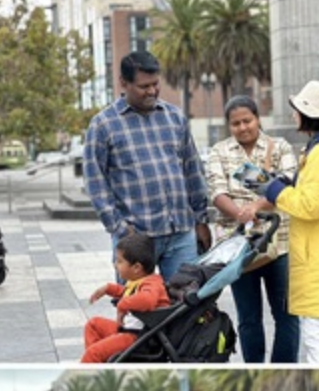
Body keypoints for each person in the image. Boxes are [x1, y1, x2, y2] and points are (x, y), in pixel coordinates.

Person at [245, 80, 319, 364]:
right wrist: (284, 183)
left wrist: (273, 189)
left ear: (309, 114)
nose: (293, 114)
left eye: (297, 109)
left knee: (318, 342)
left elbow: (311, 206)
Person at [84, 50, 211, 282]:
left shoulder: (175, 117)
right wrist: (121, 230)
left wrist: (201, 220)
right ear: (124, 83)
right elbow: (95, 184)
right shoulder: (103, 125)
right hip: (136, 242)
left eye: (155, 84)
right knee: (136, 312)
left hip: (181, 235)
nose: (152, 91)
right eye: (144, 86)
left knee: (188, 309)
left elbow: (193, 171)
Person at [207, 96, 300, 363]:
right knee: (248, 318)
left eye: (247, 120)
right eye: (235, 123)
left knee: (287, 316)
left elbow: (287, 184)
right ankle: (254, 367)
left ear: (258, 119)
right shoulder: (220, 151)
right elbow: (216, 191)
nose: (242, 127)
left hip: (278, 243)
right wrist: (241, 214)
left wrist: (254, 208)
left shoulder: (279, 147)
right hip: (238, 246)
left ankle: (283, 370)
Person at [81, 231, 169, 363]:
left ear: (136, 267)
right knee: (93, 325)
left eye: (120, 261)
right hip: (128, 330)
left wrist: (122, 306)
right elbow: (129, 292)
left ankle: (91, 366)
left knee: (93, 353)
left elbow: (147, 300)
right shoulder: (141, 280)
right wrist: (108, 289)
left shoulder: (152, 284)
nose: (115, 264)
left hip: (139, 337)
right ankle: (100, 361)